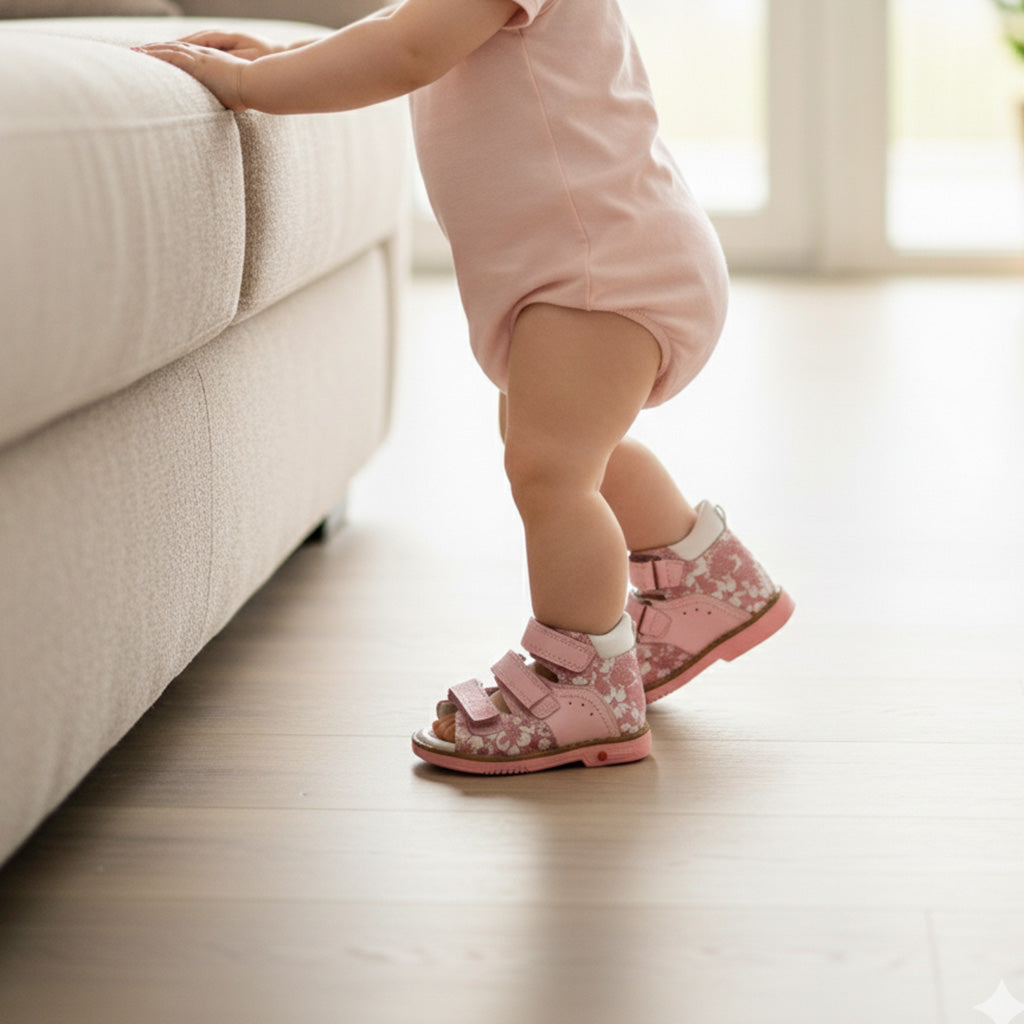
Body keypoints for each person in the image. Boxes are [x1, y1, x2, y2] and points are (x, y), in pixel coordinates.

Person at [135, 0, 794, 776]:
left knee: (550, 474)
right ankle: (703, 577)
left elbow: (405, 51)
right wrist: (279, 58)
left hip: (601, 264)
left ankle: (582, 683)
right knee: (573, 452)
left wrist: (253, 83)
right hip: (608, 253)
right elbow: (408, 29)